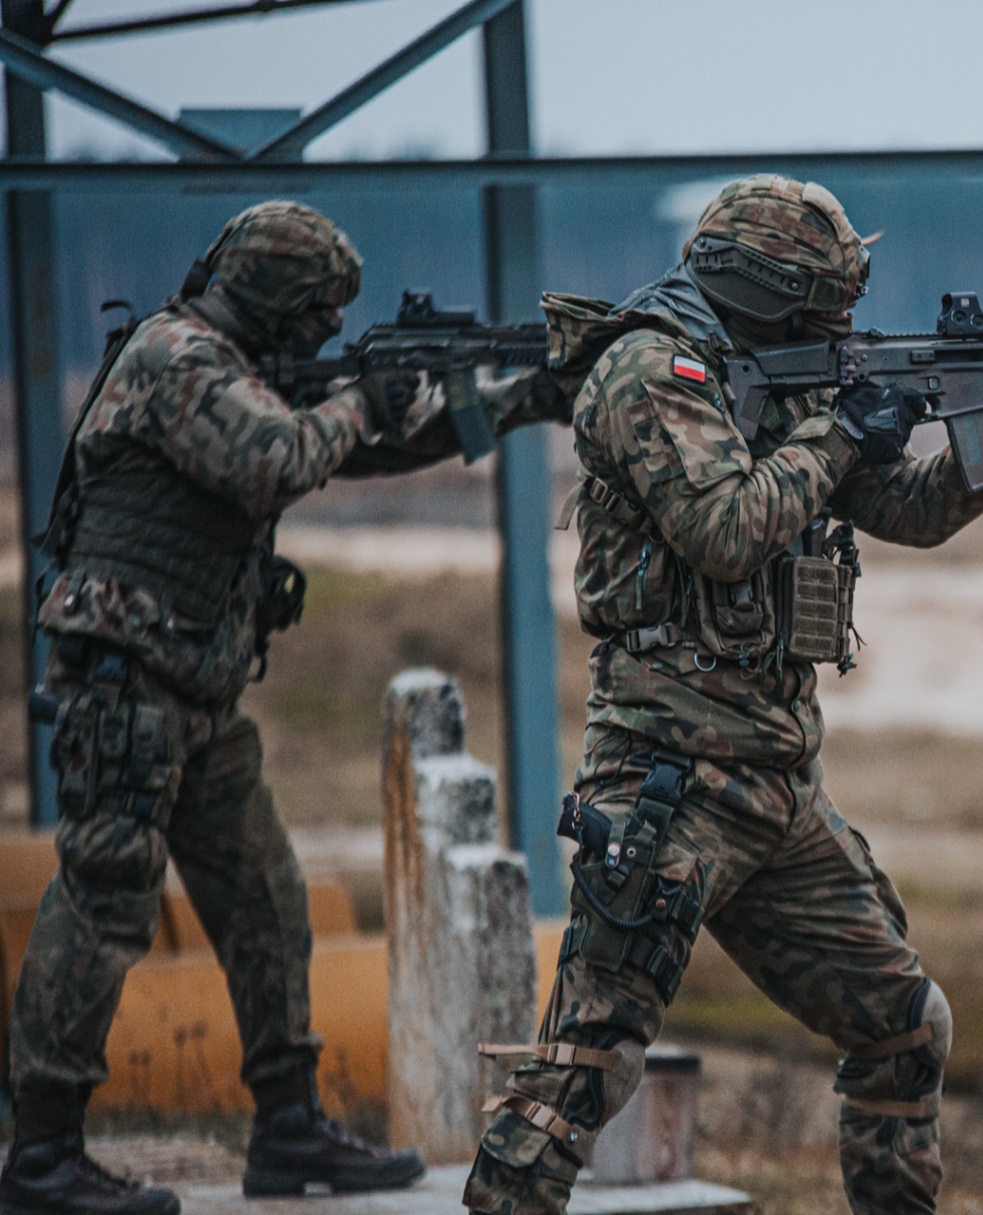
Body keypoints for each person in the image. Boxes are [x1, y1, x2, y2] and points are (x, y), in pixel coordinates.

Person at [461, 174, 983, 1215]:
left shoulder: (786, 375)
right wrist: (842, 433)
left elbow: (914, 508)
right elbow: (725, 529)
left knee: (905, 1025)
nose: (845, 319)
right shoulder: (650, 370)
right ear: (768, 290)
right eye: (826, 298)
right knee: (580, 1075)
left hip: (777, 783)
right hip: (669, 782)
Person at [0, 200, 569, 1215]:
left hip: (194, 692)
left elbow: (353, 448)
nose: (323, 339)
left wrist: (516, 399)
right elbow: (279, 458)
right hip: (129, 687)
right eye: (316, 317)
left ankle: (289, 1127)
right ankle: (42, 1153)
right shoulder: (178, 360)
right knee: (104, 903)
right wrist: (364, 398)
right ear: (277, 295)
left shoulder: (244, 372)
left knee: (266, 898)